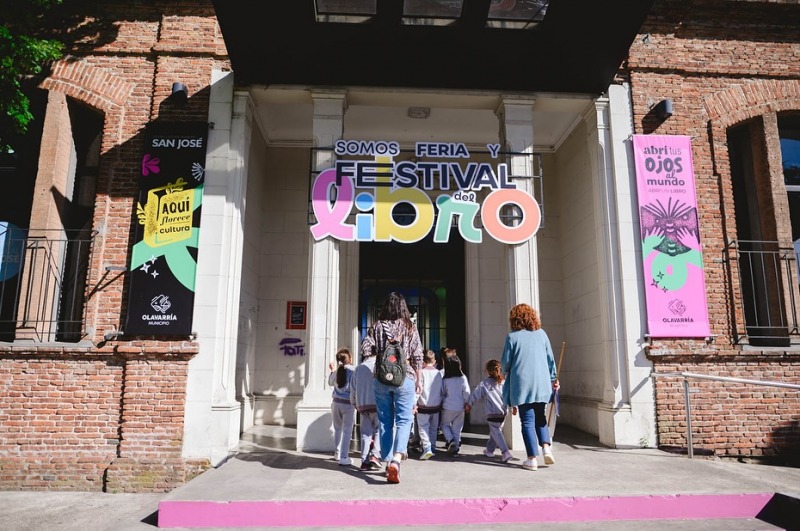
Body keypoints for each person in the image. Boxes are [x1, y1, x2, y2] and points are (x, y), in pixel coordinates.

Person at [360, 292, 423, 484]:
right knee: (404, 420)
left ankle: (387, 461)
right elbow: (418, 355)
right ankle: (397, 458)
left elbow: (365, 349)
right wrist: (419, 380)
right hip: (405, 379)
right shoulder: (410, 327)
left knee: (385, 421)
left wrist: (380, 354)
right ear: (403, 307)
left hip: (381, 379)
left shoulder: (378, 326)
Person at [500, 304, 559, 471]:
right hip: (541, 383)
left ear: (514, 319)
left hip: (522, 384)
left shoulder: (512, 337)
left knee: (527, 420)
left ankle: (531, 458)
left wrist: (503, 372)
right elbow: (550, 359)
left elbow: (506, 362)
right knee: (540, 417)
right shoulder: (542, 334)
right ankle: (546, 447)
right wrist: (553, 377)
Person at [466, 359, 513, 463]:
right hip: (503, 413)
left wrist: (469, 404)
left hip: (492, 414)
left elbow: (475, 395)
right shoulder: (503, 383)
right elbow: (510, 395)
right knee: (496, 432)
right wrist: (514, 407)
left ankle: (505, 452)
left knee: (496, 432)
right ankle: (489, 450)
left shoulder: (484, 384)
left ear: (487, 371)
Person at [350, 350, 382, 471]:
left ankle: (364, 461)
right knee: (379, 429)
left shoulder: (358, 368)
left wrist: (354, 402)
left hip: (363, 405)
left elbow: (353, 388)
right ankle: (375, 454)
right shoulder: (379, 366)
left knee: (365, 433)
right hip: (378, 403)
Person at [327, 348, 355, 466]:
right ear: (349, 359)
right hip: (348, 404)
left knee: (337, 429)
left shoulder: (338, 371)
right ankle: (344, 456)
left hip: (336, 403)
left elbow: (330, 382)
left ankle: (337, 453)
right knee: (347, 430)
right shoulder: (354, 371)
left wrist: (332, 371)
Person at [440, 351, 470, 456]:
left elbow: (442, 393)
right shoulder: (462, 378)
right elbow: (466, 392)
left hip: (448, 406)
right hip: (460, 406)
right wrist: (467, 403)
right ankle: (456, 447)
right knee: (457, 428)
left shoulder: (445, 380)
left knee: (444, 425)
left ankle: (450, 439)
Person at [416, 349, 443, 460]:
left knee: (423, 427)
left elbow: (418, 389)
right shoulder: (439, 374)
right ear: (435, 361)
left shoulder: (421, 373)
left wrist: (414, 404)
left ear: (423, 361)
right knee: (433, 428)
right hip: (436, 405)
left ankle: (427, 447)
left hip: (423, 405)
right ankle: (432, 446)